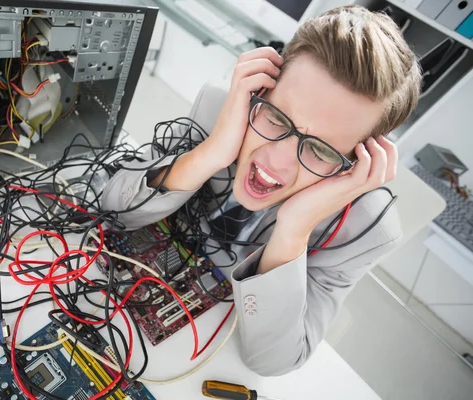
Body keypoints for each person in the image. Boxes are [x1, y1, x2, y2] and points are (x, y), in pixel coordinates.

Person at [101, 5, 421, 376]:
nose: (277, 162)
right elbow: (111, 207)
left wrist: (294, 229)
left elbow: (271, 360)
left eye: (320, 150)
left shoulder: (366, 228)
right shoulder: (220, 107)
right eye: (276, 116)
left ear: (357, 161)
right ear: (263, 88)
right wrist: (209, 153)